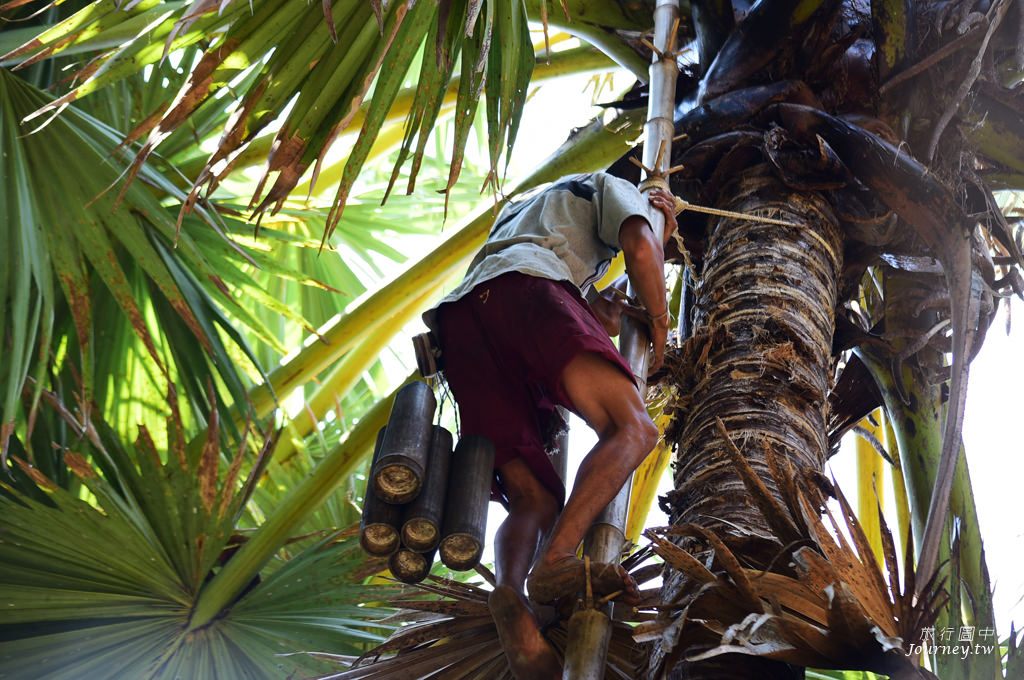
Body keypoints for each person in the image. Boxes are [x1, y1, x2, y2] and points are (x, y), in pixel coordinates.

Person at [423, 172, 678, 677]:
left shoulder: (527, 209)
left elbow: (587, 311)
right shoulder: (610, 186)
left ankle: (511, 593)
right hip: (529, 288)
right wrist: (662, 322)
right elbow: (641, 251)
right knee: (633, 430)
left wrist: (614, 291)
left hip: (462, 322)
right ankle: (556, 560)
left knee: (533, 497)